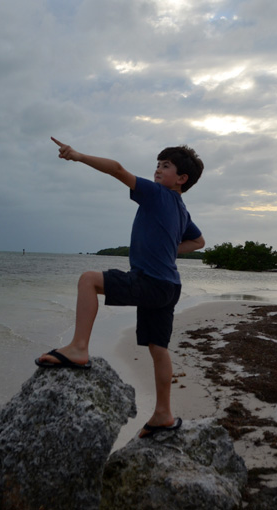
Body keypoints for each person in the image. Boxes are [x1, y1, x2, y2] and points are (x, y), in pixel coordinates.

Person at [37, 137, 205, 438]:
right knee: (158, 348)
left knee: (89, 280)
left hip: (151, 281)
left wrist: (77, 155)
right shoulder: (181, 210)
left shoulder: (157, 194)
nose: (157, 170)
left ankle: (78, 348)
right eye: (157, 164)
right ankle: (164, 413)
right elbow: (199, 242)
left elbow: (116, 169)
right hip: (170, 287)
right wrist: (169, 251)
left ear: (181, 178)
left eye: (165, 166)